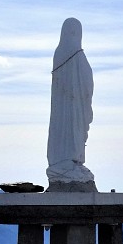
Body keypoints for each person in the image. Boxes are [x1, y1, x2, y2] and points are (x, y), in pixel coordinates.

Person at [46, 17, 95, 190]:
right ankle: (72, 161)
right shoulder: (77, 56)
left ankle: (63, 161)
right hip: (75, 108)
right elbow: (87, 85)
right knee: (74, 133)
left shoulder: (59, 54)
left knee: (64, 134)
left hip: (61, 111)